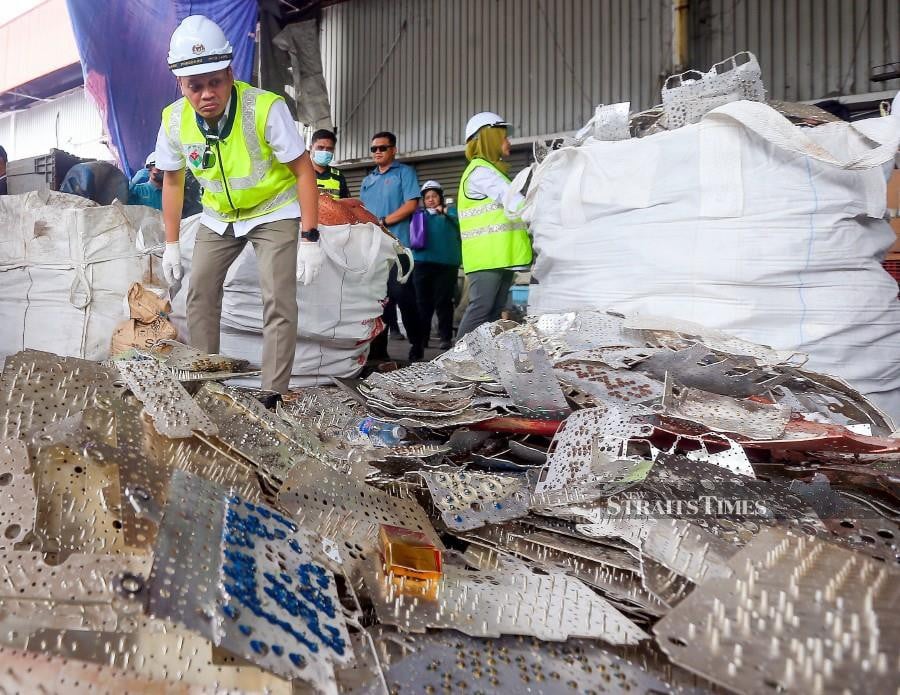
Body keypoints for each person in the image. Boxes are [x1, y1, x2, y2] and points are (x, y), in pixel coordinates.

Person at [154, 15, 321, 394]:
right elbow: (173, 180)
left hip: (272, 211)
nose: (206, 94)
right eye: (195, 86)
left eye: (215, 82)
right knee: (199, 292)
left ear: (230, 73)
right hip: (219, 217)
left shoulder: (265, 108)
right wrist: (171, 243)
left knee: (277, 298)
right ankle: (205, 384)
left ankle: (272, 394)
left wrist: (310, 237)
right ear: (180, 84)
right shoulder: (174, 120)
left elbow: (304, 170)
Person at [455, 112, 532, 338]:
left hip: (500, 257)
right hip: (487, 257)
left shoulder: (492, 172)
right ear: (489, 138)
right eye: (503, 137)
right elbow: (516, 204)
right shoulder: (480, 173)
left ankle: (481, 362)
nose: (508, 142)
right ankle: (454, 361)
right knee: (481, 310)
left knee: (493, 312)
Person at [359, 131, 425, 360]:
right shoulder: (368, 180)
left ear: (393, 150)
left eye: (382, 148)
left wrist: (384, 221)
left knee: (404, 298)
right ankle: (379, 351)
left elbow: (411, 204)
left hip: (398, 248)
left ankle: (417, 344)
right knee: (378, 301)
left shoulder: (404, 173)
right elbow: (362, 210)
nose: (377, 152)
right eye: (374, 149)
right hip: (373, 250)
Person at [411, 180, 461, 350]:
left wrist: (446, 211)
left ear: (440, 197)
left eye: (434, 196)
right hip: (422, 263)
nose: (431, 199)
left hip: (446, 264)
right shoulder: (418, 215)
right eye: (427, 197)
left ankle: (445, 338)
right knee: (422, 303)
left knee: (444, 302)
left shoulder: (451, 213)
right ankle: (422, 339)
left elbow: (461, 222)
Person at [309, 129, 350, 199]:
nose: (324, 151)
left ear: (333, 150)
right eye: (320, 147)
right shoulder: (301, 173)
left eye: (329, 149)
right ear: (310, 148)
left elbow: (346, 203)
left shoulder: (338, 175)